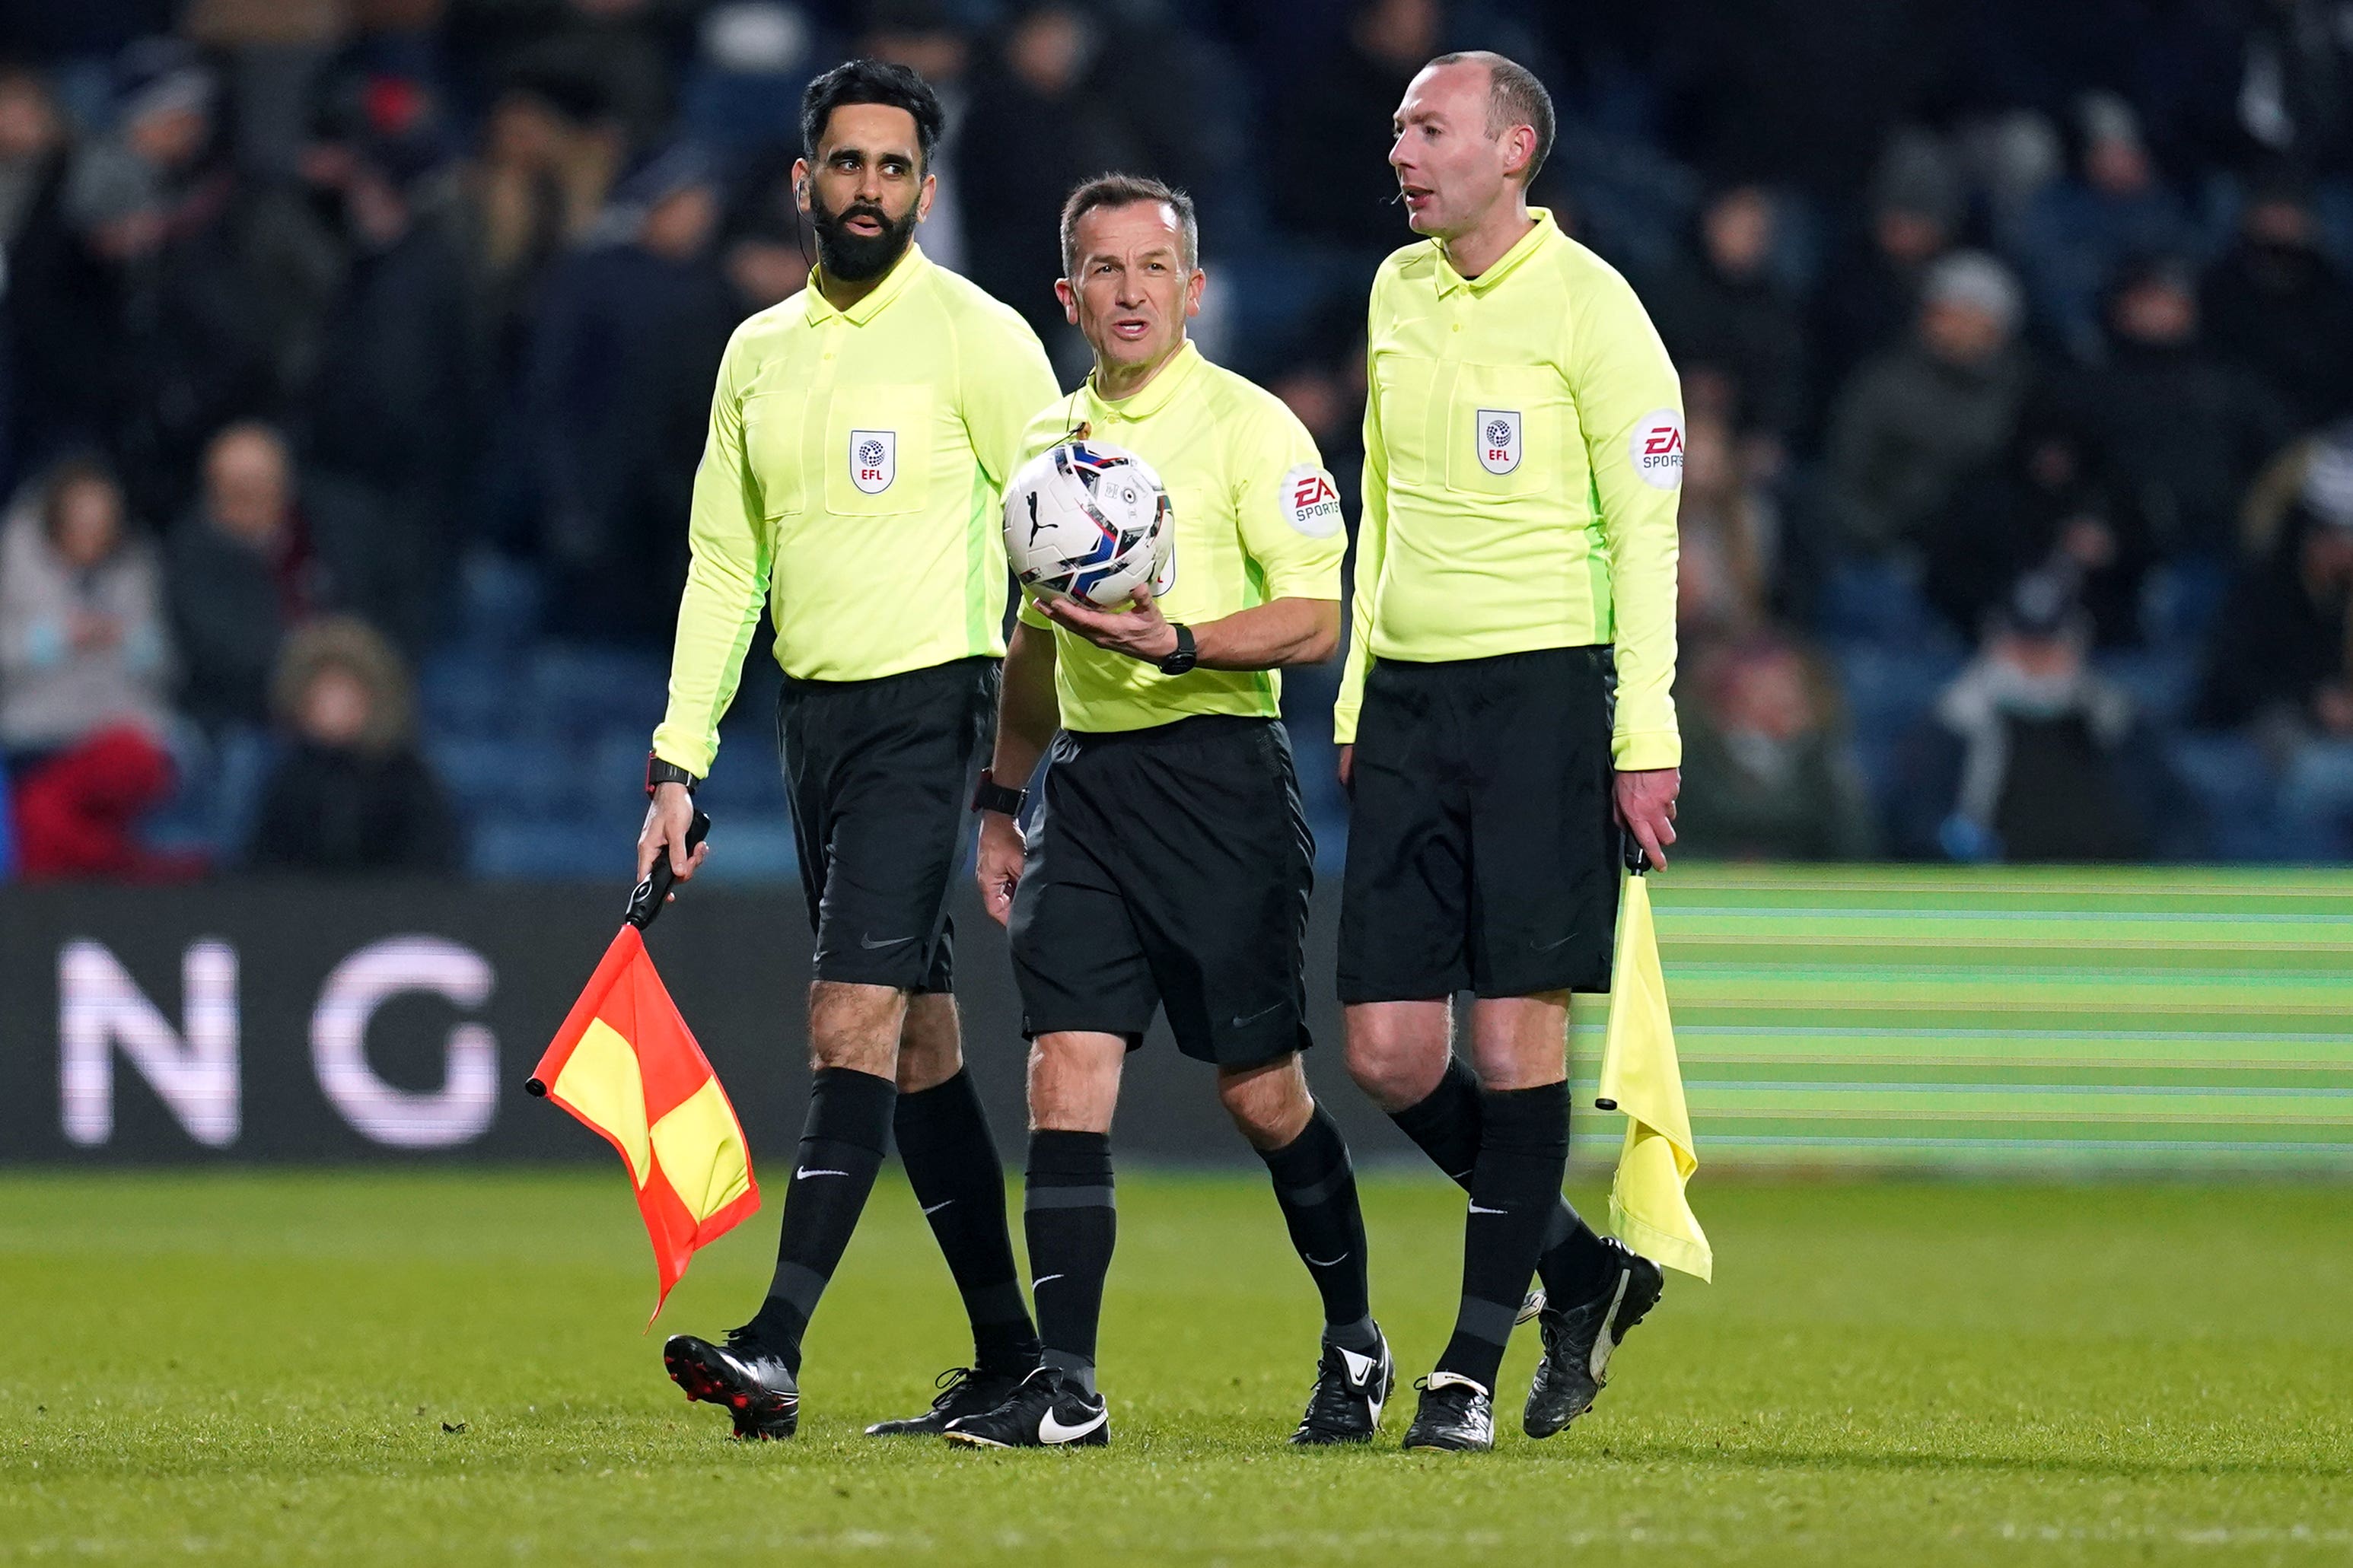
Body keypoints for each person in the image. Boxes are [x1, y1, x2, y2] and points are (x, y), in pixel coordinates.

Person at [640, 60, 1062, 1442]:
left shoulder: (982, 341)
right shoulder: (757, 352)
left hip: (929, 706)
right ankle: (1015, 1359)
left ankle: (774, 1343)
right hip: (810, 720)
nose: (868, 188)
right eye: (846, 164)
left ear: (926, 191)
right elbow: (722, 561)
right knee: (922, 1046)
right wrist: (676, 760)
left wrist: (1027, 747)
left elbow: (1065, 530)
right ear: (802, 180)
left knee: (848, 1024)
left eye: (893, 168)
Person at [951, 176, 1380, 1452]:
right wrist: (997, 792)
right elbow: (1029, 644)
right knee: (1062, 1070)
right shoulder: (1044, 450)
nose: (1129, 291)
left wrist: (1181, 638)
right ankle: (1066, 1386)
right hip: (1085, 788)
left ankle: (1354, 1337)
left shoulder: (1252, 430)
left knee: (1260, 1094)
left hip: (1221, 779)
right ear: (1066, 294)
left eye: (1154, 268)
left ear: (1193, 290)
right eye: (1104, 268)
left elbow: (1316, 616)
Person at [1334, 52, 1680, 1454]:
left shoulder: (1598, 312)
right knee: (1388, 1051)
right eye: (1401, 127)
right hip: (1410, 700)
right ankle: (1583, 1269)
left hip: (1544, 698)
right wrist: (1359, 694)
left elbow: (1647, 538)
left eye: (1431, 127)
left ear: (1513, 149)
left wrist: (1641, 735)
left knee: (1515, 1038)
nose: (1403, 150)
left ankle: (1469, 1368)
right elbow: (1383, 500)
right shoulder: (1392, 290)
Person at [0, 456, 189, 880]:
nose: (90, 536)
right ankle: (137, 872)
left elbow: (167, 665)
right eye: (79, 524)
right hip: (36, 738)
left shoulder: (138, 566)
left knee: (130, 759)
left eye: (100, 526)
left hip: (117, 737)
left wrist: (126, 640)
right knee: (39, 816)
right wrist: (57, 639)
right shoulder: (13, 564)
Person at [247, 615, 459, 874]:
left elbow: (432, 867)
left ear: (374, 697)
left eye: (346, 693)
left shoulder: (407, 780)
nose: (334, 707)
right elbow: (264, 870)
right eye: (324, 694)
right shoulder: (290, 780)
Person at [166, 423, 330, 732]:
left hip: (341, 697)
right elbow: (217, 654)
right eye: (236, 484)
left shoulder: (321, 528)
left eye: (260, 481)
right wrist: (308, 681)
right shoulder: (191, 550)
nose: (249, 493)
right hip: (237, 714)